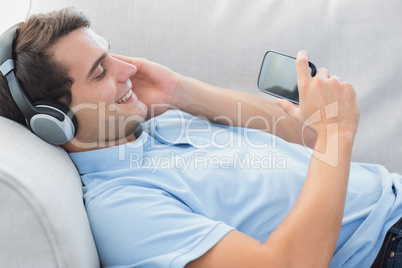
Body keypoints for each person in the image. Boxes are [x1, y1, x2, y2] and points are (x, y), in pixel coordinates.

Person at [0, 7, 401, 268]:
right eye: (100, 72)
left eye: (112, 54)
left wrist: (180, 91)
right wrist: (338, 136)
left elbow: (308, 135)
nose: (126, 69)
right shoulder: (122, 208)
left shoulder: (159, 126)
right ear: (55, 120)